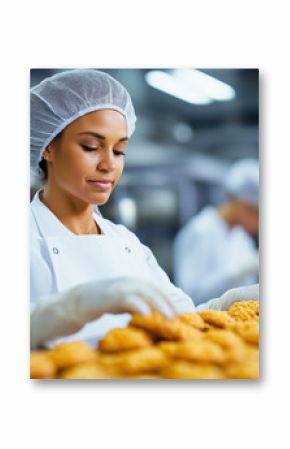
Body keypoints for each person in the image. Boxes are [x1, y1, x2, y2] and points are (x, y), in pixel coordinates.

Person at [30, 69, 259, 349]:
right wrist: (74, 306)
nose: (109, 165)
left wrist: (226, 305)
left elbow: (181, 319)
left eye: (119, 150)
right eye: (91, 146)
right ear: (48, 149)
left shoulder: (126, 242)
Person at [173, 158, 259, 305]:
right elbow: (189, 294)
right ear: (245, 204)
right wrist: (238, 270)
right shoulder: (201, 231)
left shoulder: (241, 237)